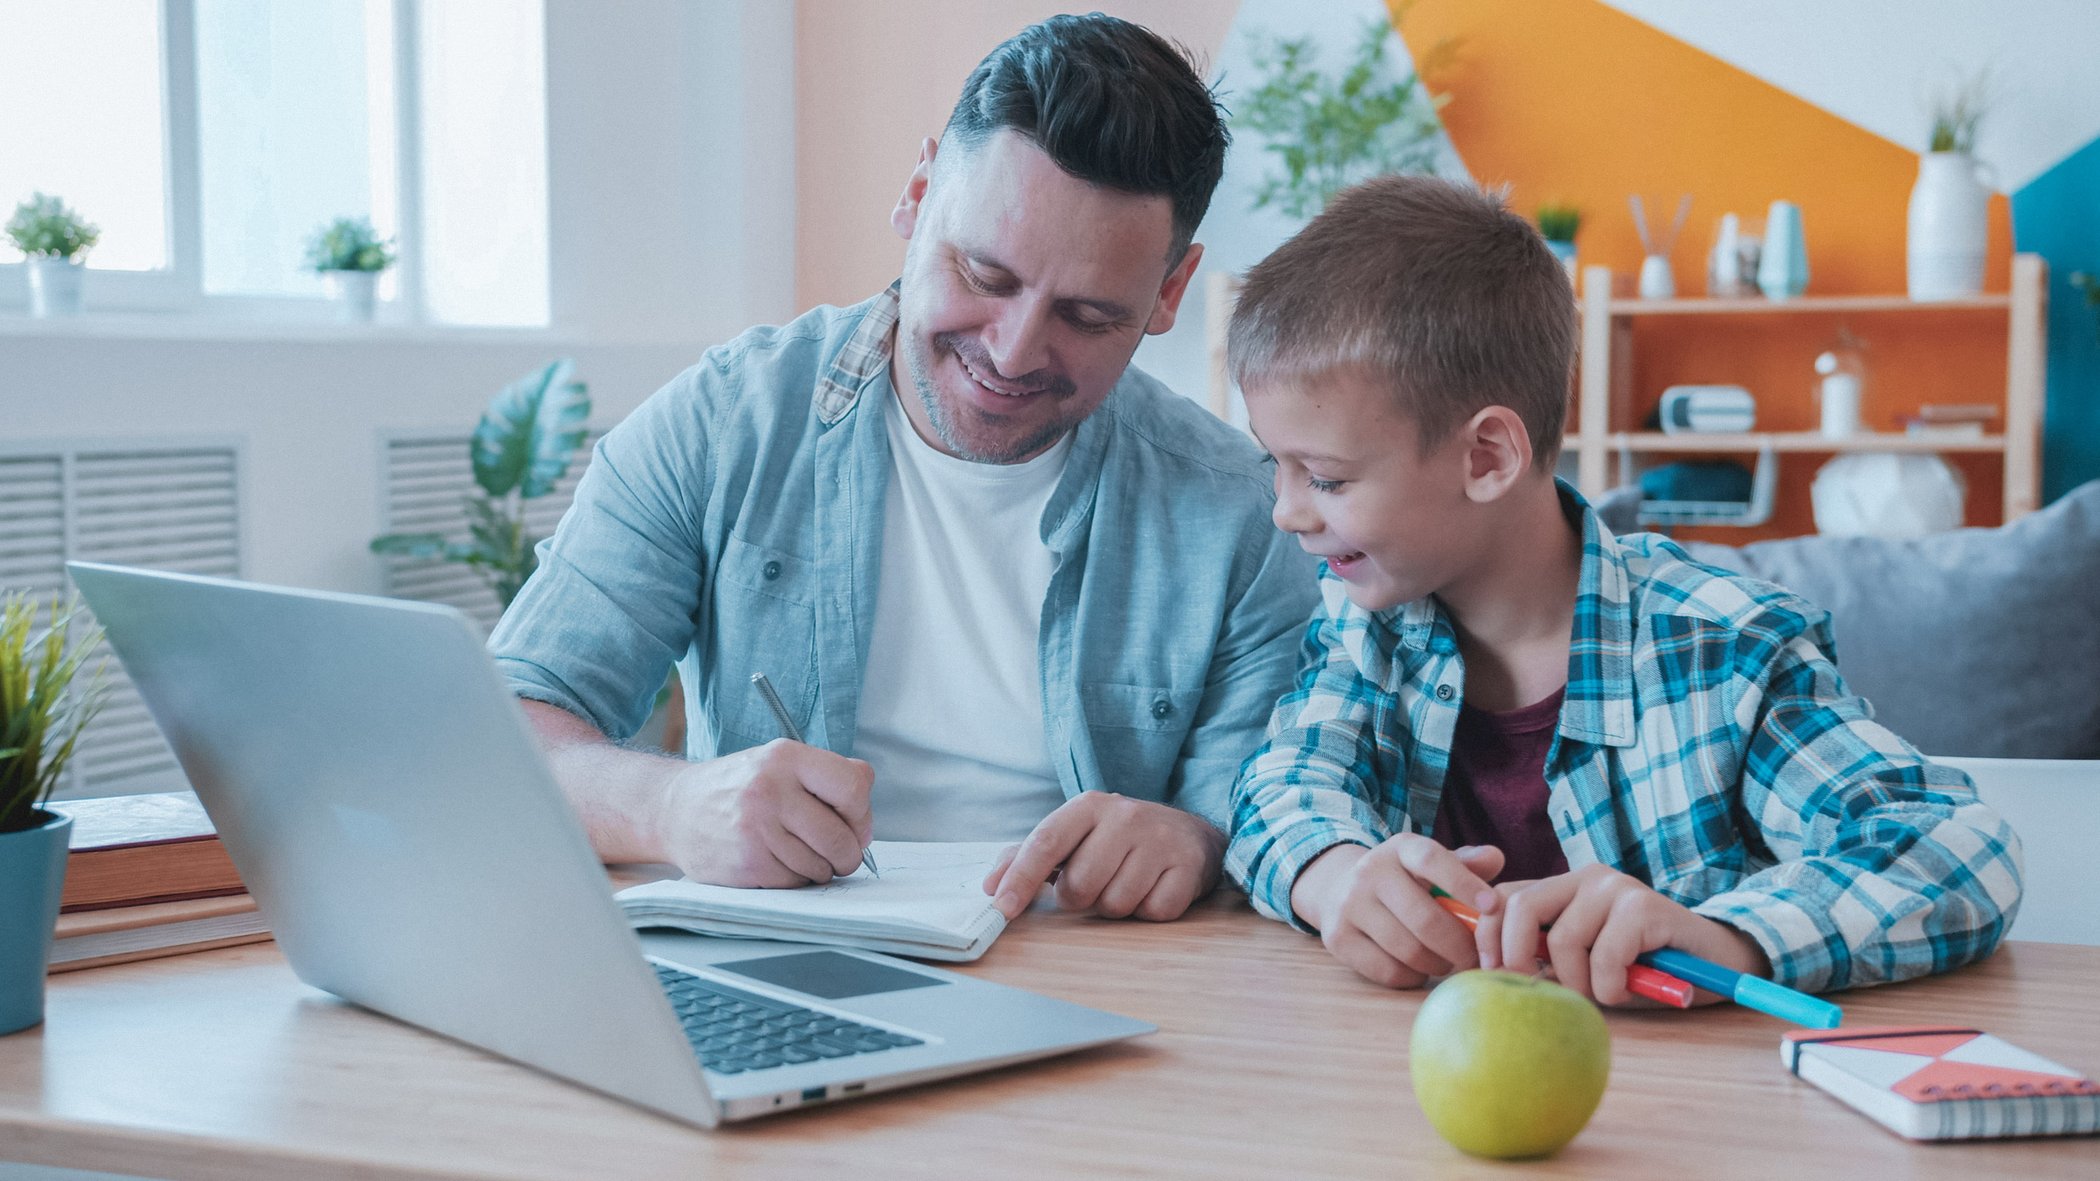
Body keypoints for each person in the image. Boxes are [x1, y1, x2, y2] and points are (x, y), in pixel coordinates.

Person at [489, 14, 1317, 923]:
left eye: (1086, 316)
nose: (1012, 350)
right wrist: (674, 806)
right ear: (919, 195)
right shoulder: (726, 423)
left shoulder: (1243, 512)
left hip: (1101, 988)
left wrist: (1195, 841)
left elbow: (1268, 811)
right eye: (985, 275)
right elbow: (499, 724)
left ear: (1168, 293)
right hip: (781, 965)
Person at [1221, 175, 2022, 1000]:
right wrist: (1336, 875)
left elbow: (1953, 846)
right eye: (1273, 465)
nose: (1285, 513)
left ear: (1487, 457)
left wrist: (1726, 937)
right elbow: (1278, 788)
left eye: (1324, 478)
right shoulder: (1365, 626)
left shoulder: (1726, 648)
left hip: (1694, 1109)